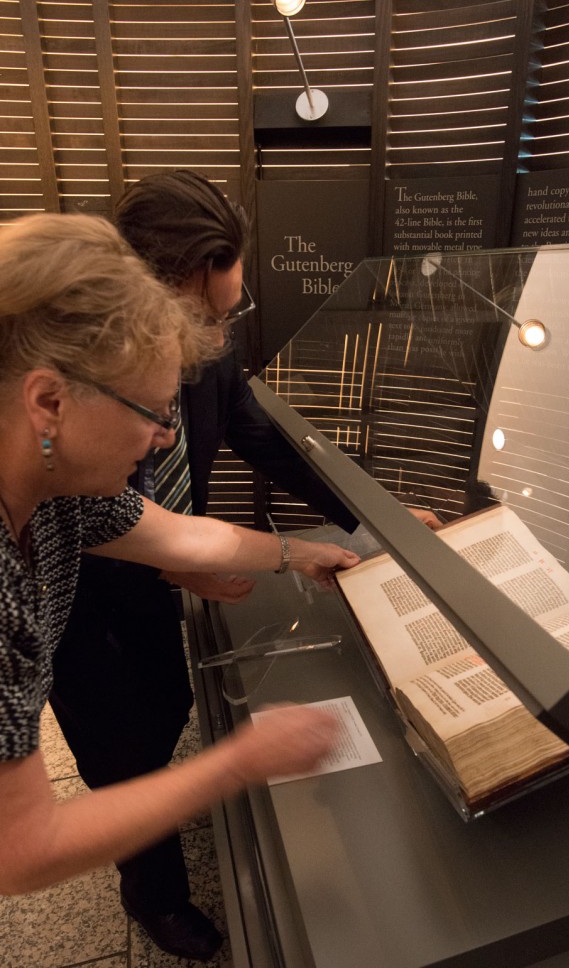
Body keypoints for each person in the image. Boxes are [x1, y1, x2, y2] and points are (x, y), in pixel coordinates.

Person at [48, 170, 442, 961]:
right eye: (202, 319)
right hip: (90, 620)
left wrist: (363, 526)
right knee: (120, 750)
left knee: (161, 708)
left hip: (156, 587)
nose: (216, 344)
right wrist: (232, 767)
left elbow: (178, 518)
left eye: (229, 317)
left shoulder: (195, 367)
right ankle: (151, 891)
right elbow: (20, 841)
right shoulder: (34, 529)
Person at [0, 213, 359, 909]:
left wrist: (298, 552)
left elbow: (176, 536)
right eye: (154, 412)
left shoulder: (55, 491)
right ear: (49, 402)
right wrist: (240, 761)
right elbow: (20, 847)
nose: (166, 438)